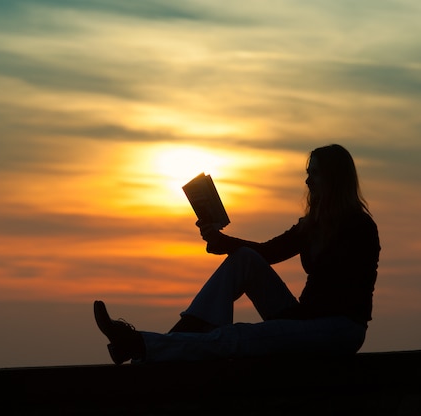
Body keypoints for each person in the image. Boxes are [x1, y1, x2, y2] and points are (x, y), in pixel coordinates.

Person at [94, 144, 380, 365]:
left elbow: (340, 293)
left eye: (314, 173)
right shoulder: (312, 224)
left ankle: (140, 345)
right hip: (305, 319)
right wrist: (222, 242)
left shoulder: (358, 227)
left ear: (334, 178)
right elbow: (266, 253)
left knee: (238, 336)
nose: (308, 182)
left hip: (338, 328)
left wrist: (289, 324)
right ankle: (166, 341)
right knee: (244, 259)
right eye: (308, 174)